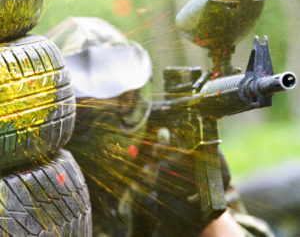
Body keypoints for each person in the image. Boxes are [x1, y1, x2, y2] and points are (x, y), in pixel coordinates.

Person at [47, 17, 274, 237]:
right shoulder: (39, 176)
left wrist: (203, 220)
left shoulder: (168, 154)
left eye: (124, 100)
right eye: (87, 108)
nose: (111, 120)